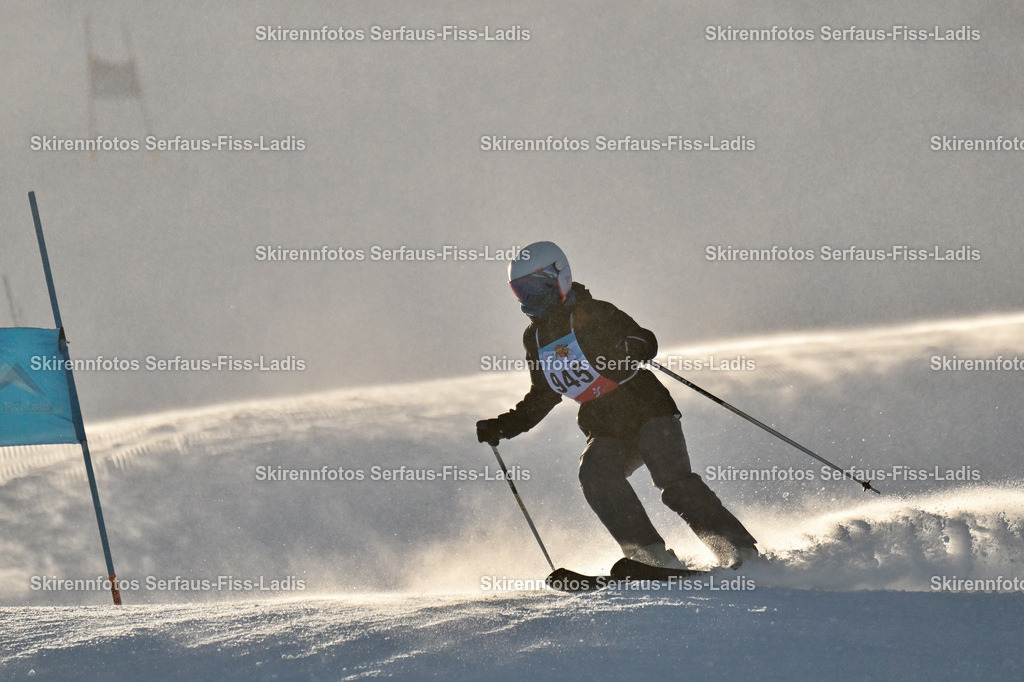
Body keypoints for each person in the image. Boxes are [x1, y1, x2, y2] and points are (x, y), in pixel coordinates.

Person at [476, 241, 758, 569]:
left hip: (648, 410)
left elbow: (643, 339)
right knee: (595, 475)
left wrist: (630, 347)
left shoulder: (594, 312)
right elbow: (543, 394)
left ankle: (738, 551)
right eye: (521, 291)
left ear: (559, 277)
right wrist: (503, 425)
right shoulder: (535, 339)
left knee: (673, 479)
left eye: (536, 287)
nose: (530, 298)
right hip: (605, 424)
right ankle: (649, 556)